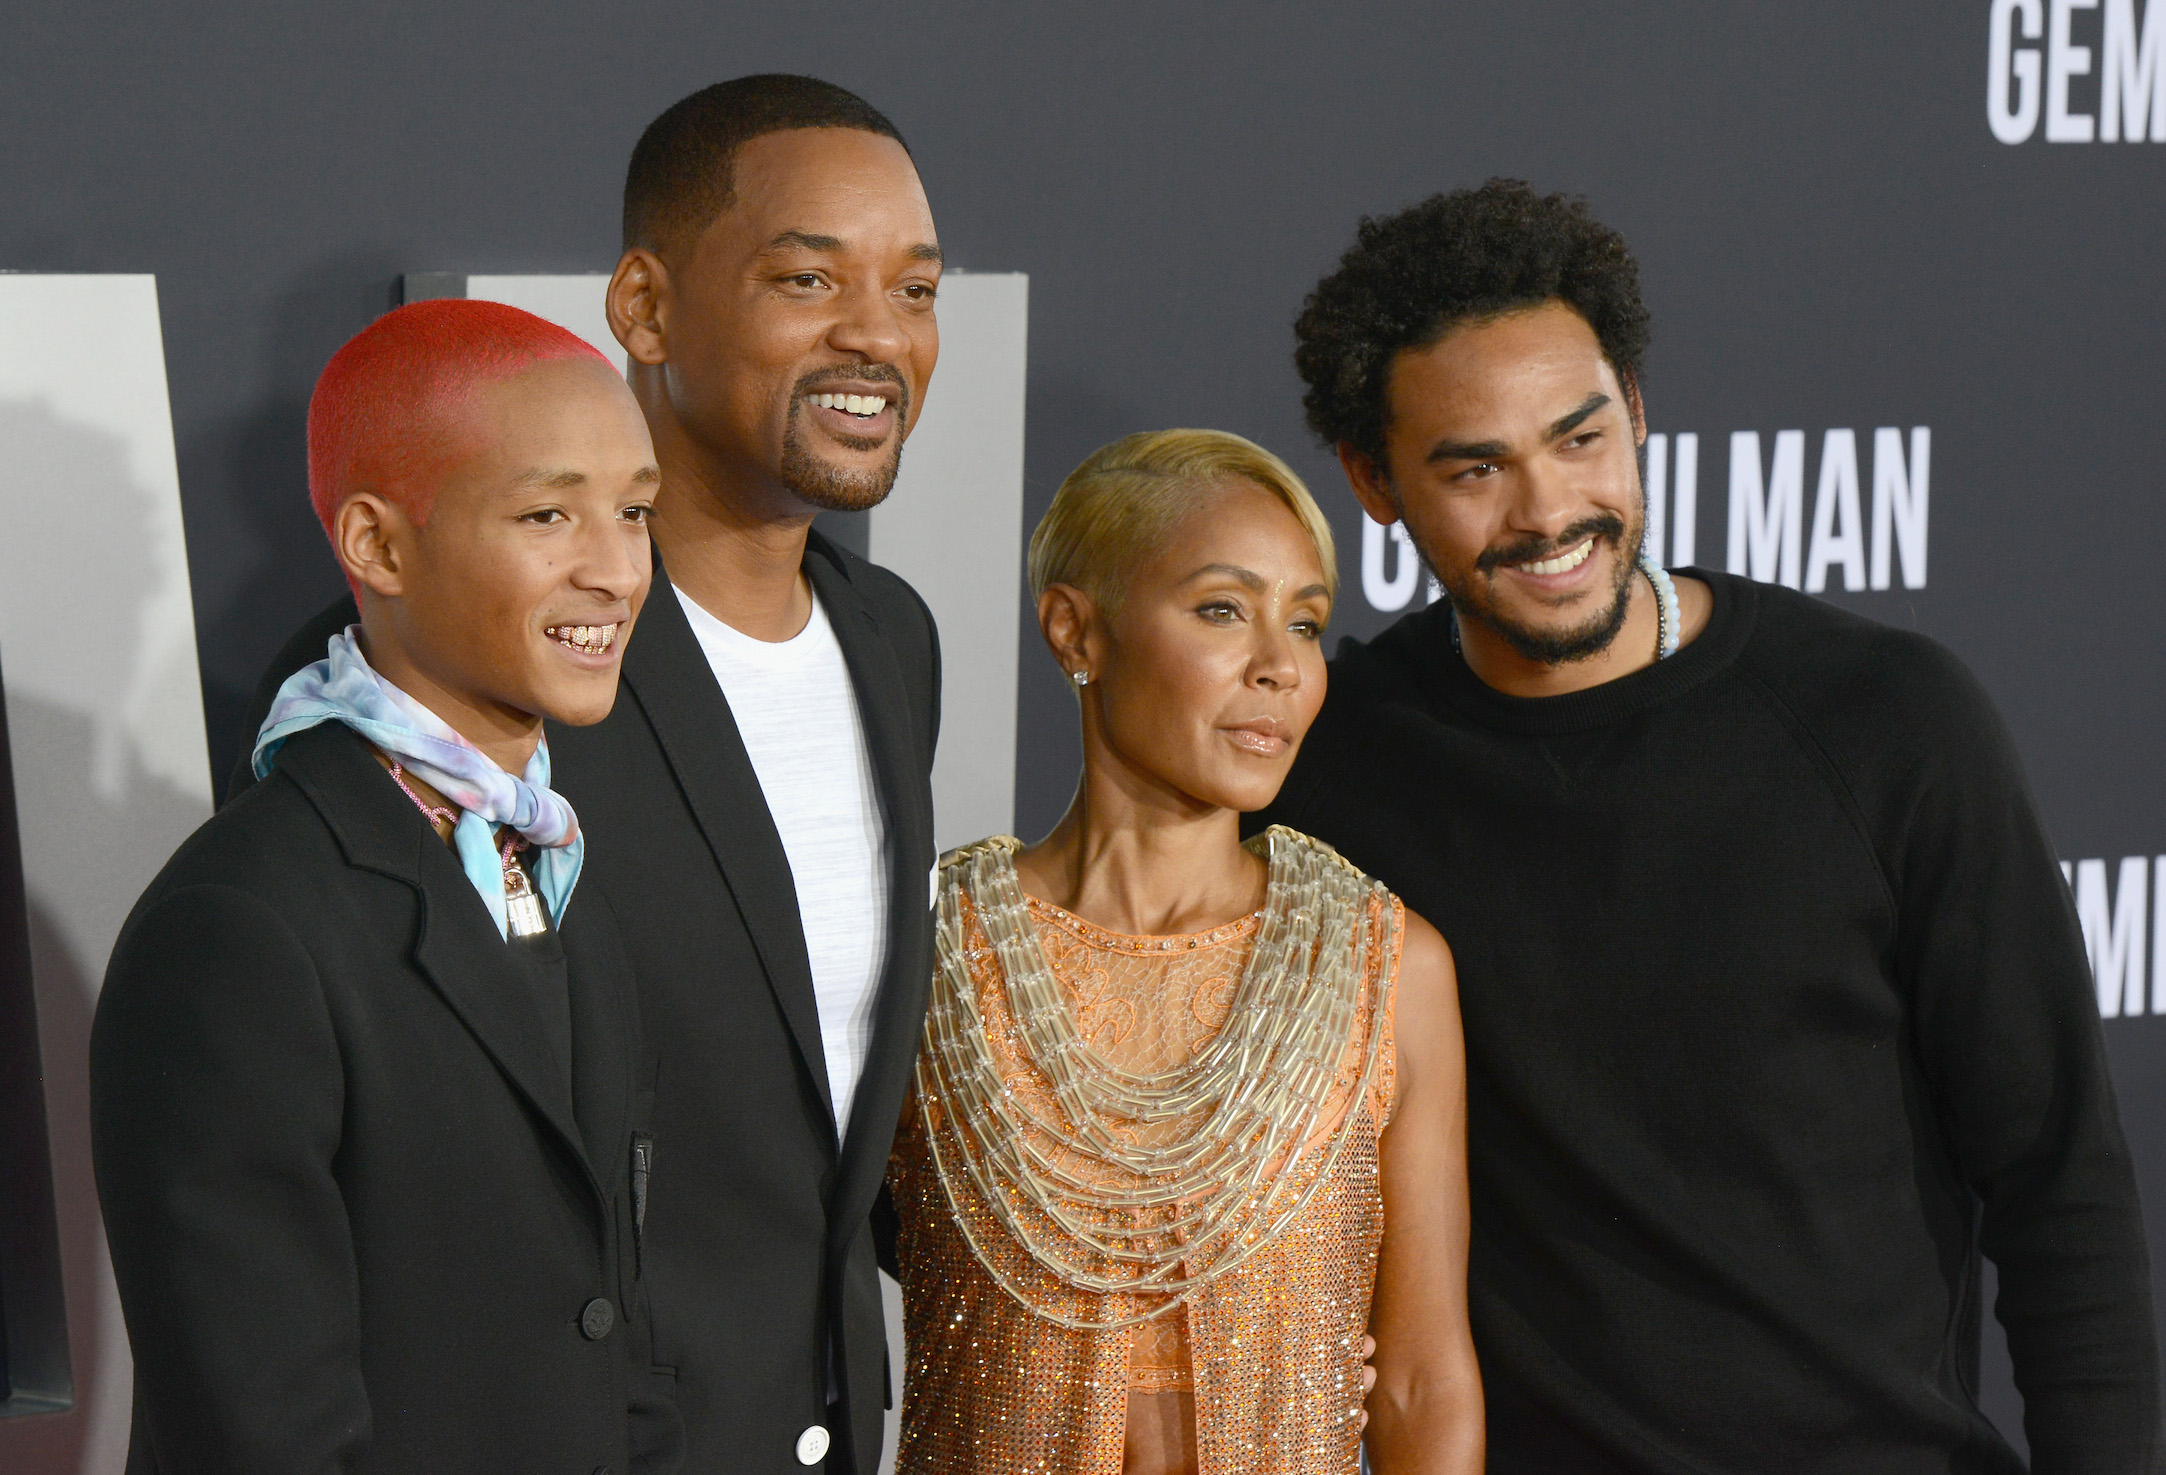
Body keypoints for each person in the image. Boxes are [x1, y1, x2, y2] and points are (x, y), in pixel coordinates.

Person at [1259, 178, 2161, 1473]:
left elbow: (2058, 1181)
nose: (1546, 512)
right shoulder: (1334, 771)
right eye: (1474, 468)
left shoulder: (1886, 720)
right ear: (1374, 482)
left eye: (1579, 439)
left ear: (1635, 412)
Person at [230, 75, 943, 1473]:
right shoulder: (466, 667)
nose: (878, 334)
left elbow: (831, 1116)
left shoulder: (889, 639)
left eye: (916, 289)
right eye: (809, 277)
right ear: (644, 307)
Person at [91, 299, 661, 1473]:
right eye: (549, 512)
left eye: (636, 511)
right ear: (379, 545)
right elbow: (263, 1434)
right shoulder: (240, 928)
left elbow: (616, 1335)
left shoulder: (554, 864)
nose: (614, 570)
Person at [887, 429, 1485, 1475]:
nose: (1281, 666)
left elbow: (1421, 1380)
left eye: (1305, 623)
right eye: (1223, 609)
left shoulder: (1386, 966)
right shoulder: (931, 947)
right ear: (1077, 630)